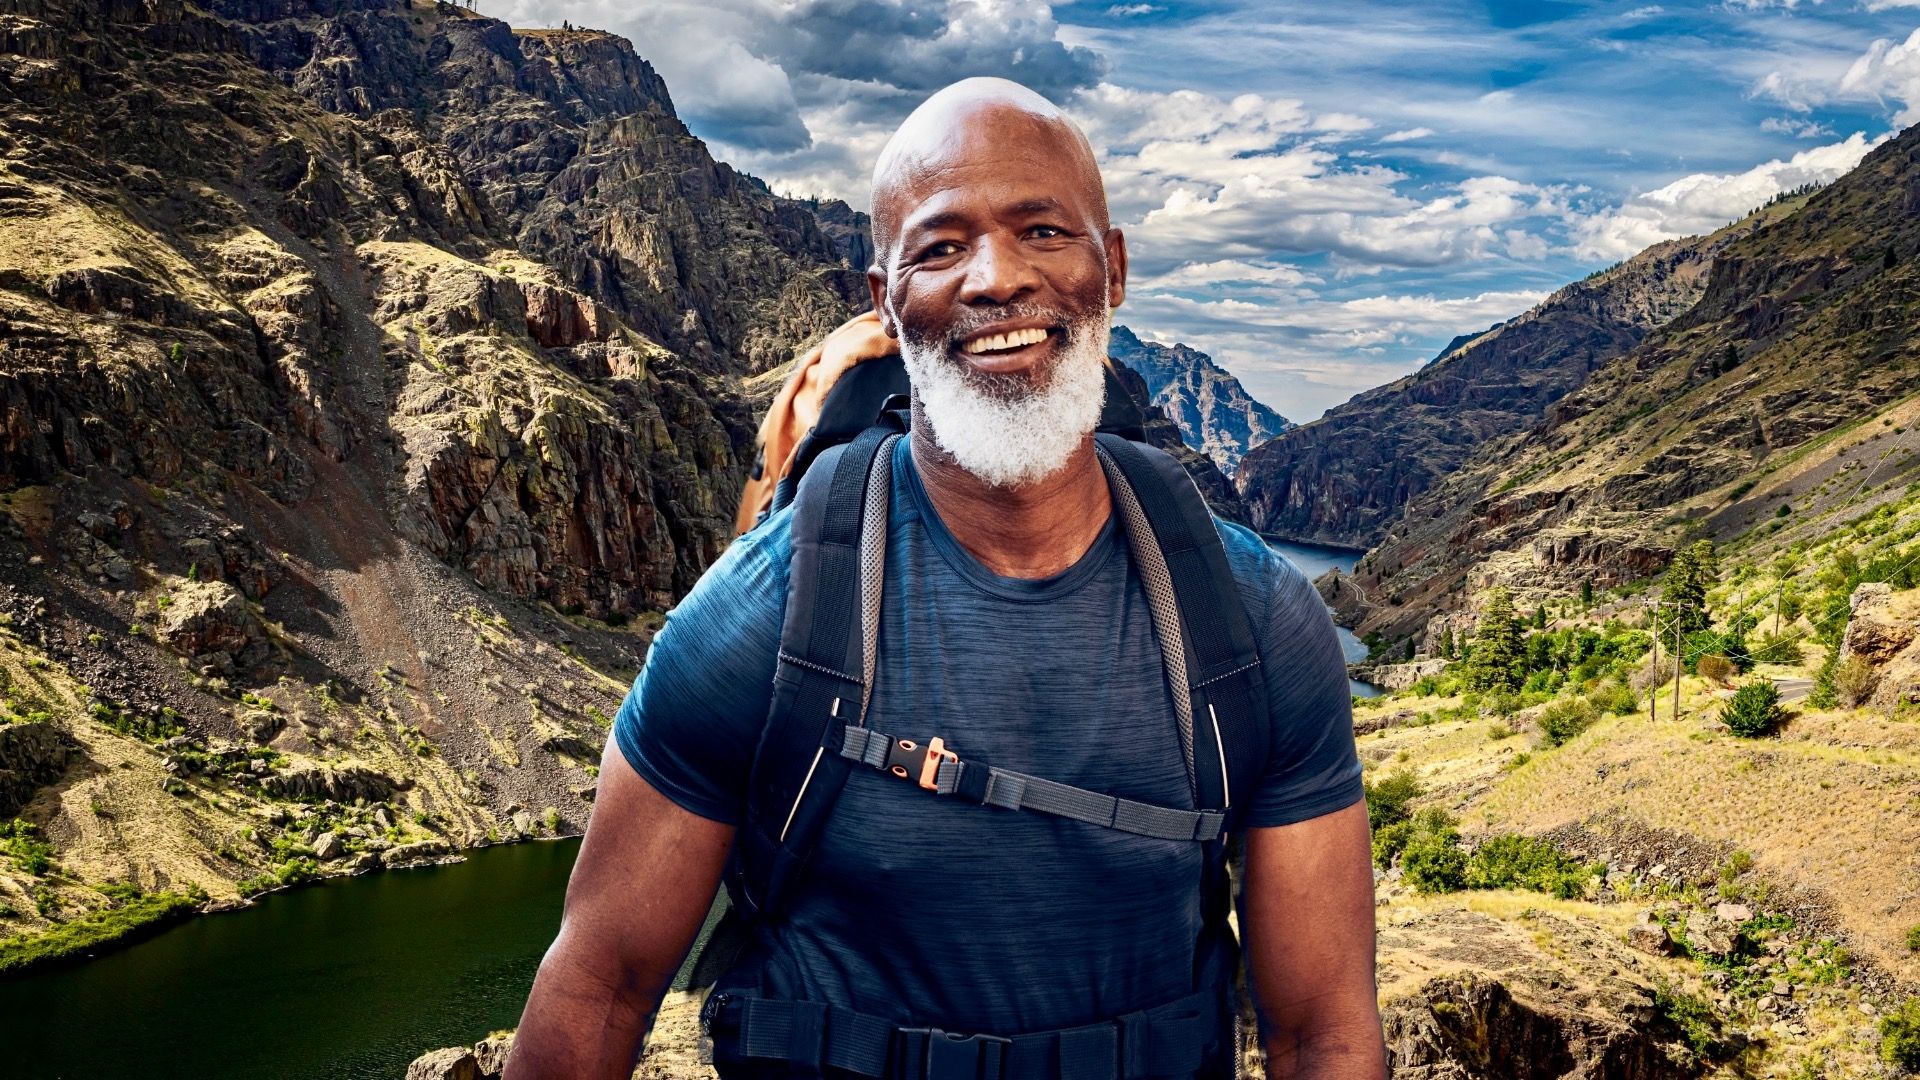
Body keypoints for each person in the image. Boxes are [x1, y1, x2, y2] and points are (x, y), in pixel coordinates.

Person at [504, 77, 1384, 1080]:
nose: (996, 279)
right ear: (886, 300)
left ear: (1115, 268)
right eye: (940, 246)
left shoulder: (1256, 621)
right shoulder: (762, 618)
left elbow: (1323, 1034)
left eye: (1044, 231)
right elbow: (598, 991)